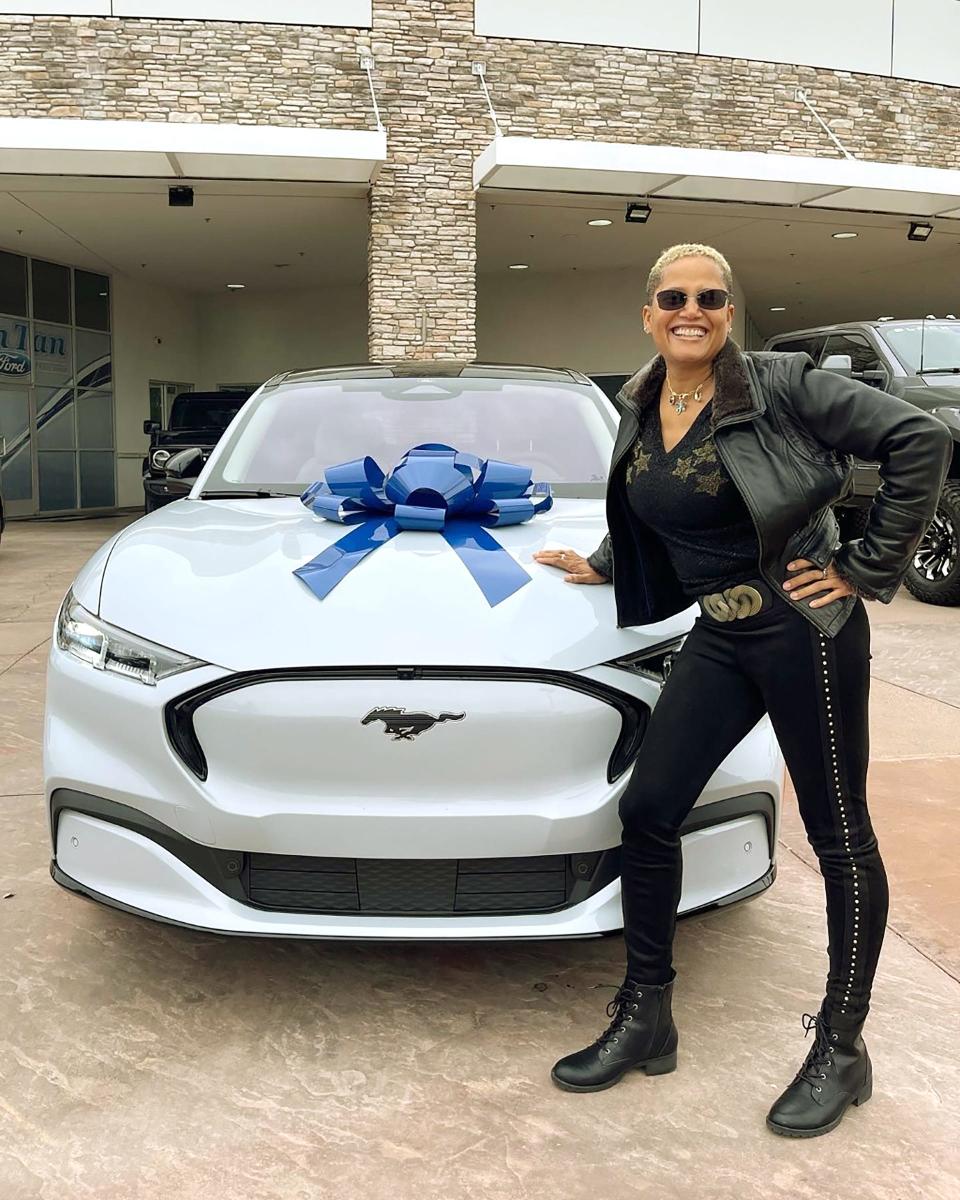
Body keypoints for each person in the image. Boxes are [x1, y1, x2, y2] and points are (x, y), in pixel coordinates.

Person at [533, 243, 952, 1138]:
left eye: (711, 297)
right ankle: (647, 1016)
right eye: (674, 297)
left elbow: (922, 438)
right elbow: (659, 504)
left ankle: (843, 1049)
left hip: (806, 630)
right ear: (648, 313)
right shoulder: (642, 399)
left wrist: (869, 565)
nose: (693, 309)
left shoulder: (779, 383)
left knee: (840, 835)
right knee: (648, 810)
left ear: (730, 310)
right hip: (720, 634)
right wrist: (605, 562)